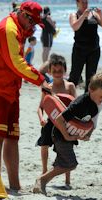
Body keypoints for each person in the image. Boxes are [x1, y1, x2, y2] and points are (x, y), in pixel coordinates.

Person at [0, 1, 49, 193]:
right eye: (33, 24)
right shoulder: (8, 29)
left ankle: (14, 185)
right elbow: (17, 63)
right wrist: (41, 80)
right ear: (24, 15)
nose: (33, 29)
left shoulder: (19, 29)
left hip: (9, 89)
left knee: (12, 136)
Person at [33, 73, 102, 195]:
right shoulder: (79, 103)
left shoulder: (96, 106)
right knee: (70, 164)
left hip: (70, 136)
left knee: (65, 163)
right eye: (101, 96)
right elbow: (59, 119)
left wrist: (88, 134)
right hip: (60, 134)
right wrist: (66, 136)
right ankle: (42, 180)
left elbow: (92, 122)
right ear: (90, 90)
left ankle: (42, 181)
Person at [36, 53, 76, 189]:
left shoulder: (70, 86)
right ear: (49, 72)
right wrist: (41, 119)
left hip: (65, 123)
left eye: (60, 71)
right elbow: (40, 107)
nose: (58, 73)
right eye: (54, 71)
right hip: (50, 122)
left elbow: (75, 105)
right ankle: (44, 171)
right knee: (44, 145)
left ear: (65, 70)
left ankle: (67, 180)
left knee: (67, 149)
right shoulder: (48, 87)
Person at [68, 0, 102, 92]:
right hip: (79, 49)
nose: (85, 4)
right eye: (83, 2)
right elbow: (74, 27)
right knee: (74, 76)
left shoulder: (93, 14)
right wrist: (83, 16)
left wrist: (100, 14)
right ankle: (68, 98)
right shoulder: (74, 15)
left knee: (91, 78)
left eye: (86, 2)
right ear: (77, 3)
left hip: (94, 50)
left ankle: (87, 100)